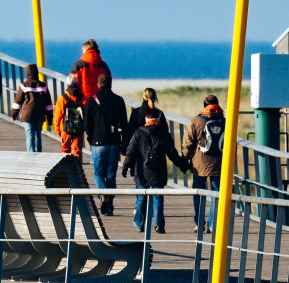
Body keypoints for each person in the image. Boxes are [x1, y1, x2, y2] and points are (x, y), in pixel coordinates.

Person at [122, 108, 190, 234]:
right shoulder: (164, 133)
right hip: (158, 172)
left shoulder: (138, 133)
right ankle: (158, 224)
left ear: (146, 119)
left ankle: (139, 223)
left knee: (141, 198)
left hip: (142, 172)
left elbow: (130, 152)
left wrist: (125, 167)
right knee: (158, 198)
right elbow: (172, 154)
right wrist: (183, 166)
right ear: (158, 118)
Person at [180, 95, 226, 233]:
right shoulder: (225, 121)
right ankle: (213, 224)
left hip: (199, 164)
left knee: (198, 193)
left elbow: (187, 143)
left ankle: (199, 223)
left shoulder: (197, 121)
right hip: (219, 163)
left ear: (204, 105)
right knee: (216, 194)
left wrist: (185, 159)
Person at [85, 73, 128, 215]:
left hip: (97, 142)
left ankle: (103, 195)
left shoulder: (92, 101)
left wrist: (91, 138)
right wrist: (124, 144)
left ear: (98, 84)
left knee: (98, 173)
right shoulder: (119, 100)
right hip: (114, 142)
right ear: (110, 84)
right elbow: (124, 124)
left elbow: (87, 124)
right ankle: (109, 206)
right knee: (111, 175)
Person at [10, 63, 53, 153]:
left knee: (30, 135)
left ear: (27, 73)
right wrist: (50, 118)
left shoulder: (23, 85)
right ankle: (39, 154)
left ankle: (31, 155)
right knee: (38, 136)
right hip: (40, 115)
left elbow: (18, 101)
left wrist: (14, 114)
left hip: (27, 115)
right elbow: (48, 104)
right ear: (37, 72)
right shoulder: (43, 86)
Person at [53, 78, 86, 159]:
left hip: (65, 128)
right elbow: (87, 115)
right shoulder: (83, 98)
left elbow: (57, 116)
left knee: (65, 150)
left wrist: (57, 130)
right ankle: (77, 169)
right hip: (79, 129)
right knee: (77, 150)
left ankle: (65, 169)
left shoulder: (62, 98)